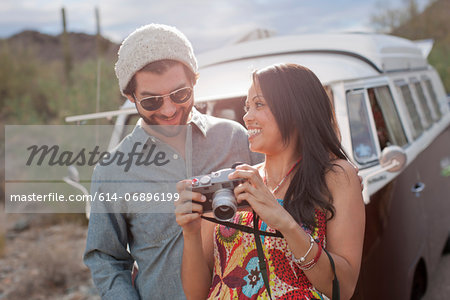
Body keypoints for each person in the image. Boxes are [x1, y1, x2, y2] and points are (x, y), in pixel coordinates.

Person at [83, 24, 262, 299]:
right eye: (152, 101)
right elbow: (106, 260)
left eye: (180, 95)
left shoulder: (235, 137)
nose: (169, 111)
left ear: (195, 81)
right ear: (130, 97)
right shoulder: (112, 171)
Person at [176, 63, 365, 299]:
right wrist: (190, 234)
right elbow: (196, 295)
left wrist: (285, 222)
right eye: (247, 107)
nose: (247, 116)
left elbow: (343, 289)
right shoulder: (231, 183)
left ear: (296, 109)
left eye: (259, 104)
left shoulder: (336, 176)